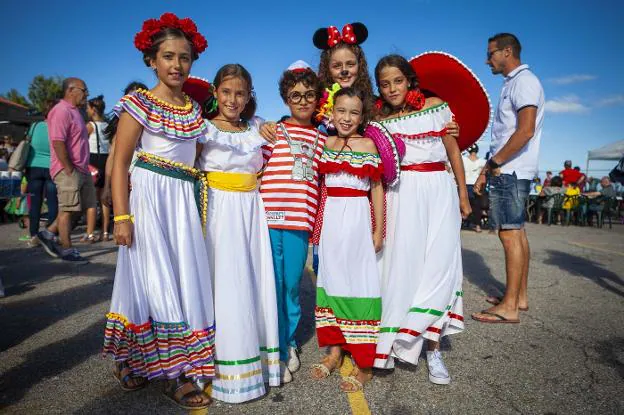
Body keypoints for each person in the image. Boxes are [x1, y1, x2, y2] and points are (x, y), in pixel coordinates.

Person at [101, 13, 214, 410]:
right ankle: (174, 373)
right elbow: (120, 162)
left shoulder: (193, 110)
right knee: (151, 279)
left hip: (182, 201)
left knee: (182, 278)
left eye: (184, 57)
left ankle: (147, 359)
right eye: (168, 56)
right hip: (149, 199)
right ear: (152, 60)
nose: (177, 65)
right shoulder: (138, 104)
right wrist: (121, 215)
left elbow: (199, 157)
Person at [373, 54, 471, 385]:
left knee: (439, 267)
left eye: (397, 81)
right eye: (384, 84)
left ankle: (434, 350)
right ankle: (394, 339)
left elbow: (453, 151)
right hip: (400, 194)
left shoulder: (435, 105)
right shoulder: (379, 119)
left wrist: (463, 193)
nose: (391, 89)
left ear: (410, 80)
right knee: (404, 267)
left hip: (439, 191)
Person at [196, 64, 280, 403]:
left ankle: (254, 363)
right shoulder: (202, 129)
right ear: (216, 93)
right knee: (222, 284)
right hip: (216, 210)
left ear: (249, 97)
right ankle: (217, 366)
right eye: (227, 91)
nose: (233, 99)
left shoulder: (259, 128)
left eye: (240, 93)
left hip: (250, 210)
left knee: (251, 282)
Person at [310, 87, 384, 392]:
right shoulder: (325, 143)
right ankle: (336, 352)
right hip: (331, 223)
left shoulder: (368, 144)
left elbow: (376, 188)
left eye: (354, 112)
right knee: (332, 280)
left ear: (362, 116)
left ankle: (365, 364)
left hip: (356, 218)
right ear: (332, 111)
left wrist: (378, 229)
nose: (346, 117)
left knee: (360, 283)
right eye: (341, 110)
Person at [259, 61, 327, 383]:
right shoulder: (273, 132)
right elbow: (253, 167)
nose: (302, 100)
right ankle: (275, 346)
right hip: (269, 219)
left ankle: (289, 343)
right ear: (286, 97)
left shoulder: (322, 139)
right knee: (271, 283)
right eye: (296, 95)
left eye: (309, 95)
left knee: (290, 285)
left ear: (318, 99)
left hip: (300, 222)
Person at [473, 33, 545, 323]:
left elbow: (525, 130)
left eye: (491, 53)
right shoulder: (515, 83)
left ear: (507, 52)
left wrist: (492, 163)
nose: (487, 59)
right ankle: (519, 297)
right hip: (515, 168)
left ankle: (510, 307)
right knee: (518, 232)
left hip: (511, 169)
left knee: (509, 233)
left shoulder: (523, 82)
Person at [47, 77, 98, 263]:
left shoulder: (76, 112)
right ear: (71, 90)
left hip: (82, 168)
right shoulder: (60, 111)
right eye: (84, 90)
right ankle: (67, 249)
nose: (86, 95)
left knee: (84, 205)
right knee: (68, 209)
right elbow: (58, 142)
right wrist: (68, 168)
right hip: (68, 169)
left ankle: (47, 233)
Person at [101, 82, 149, 208]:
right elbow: (112, 157)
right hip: (126, 182)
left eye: (139, 97)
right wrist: (107, 186)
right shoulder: (121, 128)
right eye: (131, 98)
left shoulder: (154, 126)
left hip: (148, 183)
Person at [24, 99, 60, 256]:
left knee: (35, 203)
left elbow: (28, 144)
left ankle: (33, 235)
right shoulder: (57, 128)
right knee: (53, 202)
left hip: (34, 167)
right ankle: (51, 235)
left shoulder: (35, 126)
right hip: (52, 167)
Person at [86, 95, 111, 241]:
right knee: (105, 199)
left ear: (93, 110)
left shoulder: (90, 126)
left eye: (88, 108)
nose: (87, 110)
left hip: (93, 161)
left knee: (92, 200)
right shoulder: (108, 125)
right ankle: (106, 231)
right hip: (106, 160)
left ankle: (90, 232)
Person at [463, 144, 486, 232]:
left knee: (463, 204)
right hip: (477, 185)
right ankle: (477, 226)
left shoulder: (463, 160)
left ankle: (462, 222)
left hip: (465, 184)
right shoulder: (482, 161)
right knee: (477, 206)